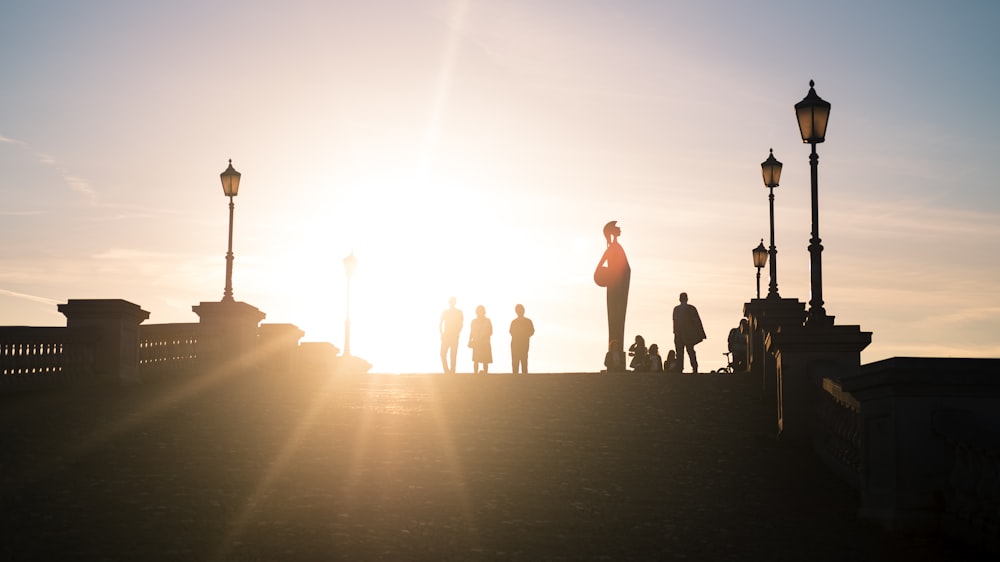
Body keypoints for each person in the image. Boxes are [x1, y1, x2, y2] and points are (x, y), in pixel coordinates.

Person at [594, 220, 631, 372]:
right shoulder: (613, 249)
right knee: (615, 320)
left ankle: (617, 352)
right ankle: (614, 354)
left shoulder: (616, 247)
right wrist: (611, 275)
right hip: (615, 289)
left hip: (619, 289)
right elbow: (598, 270)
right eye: (617, 228)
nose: (620, 229)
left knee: (618, 321)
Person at [672, 292, 706, 373]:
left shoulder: (677, 309)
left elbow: (675, 322)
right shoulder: (691, 308)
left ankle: (680, 368)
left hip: (680, 334)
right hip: (689, 334)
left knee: (680, 352)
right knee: (690, 351)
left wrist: (676, 332)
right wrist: (700, 334)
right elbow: (697, 322)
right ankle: (694, 367)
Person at [439, 296, 463, 373]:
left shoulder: (459, 312)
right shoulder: (445, 312)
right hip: (447, 335)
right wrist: (442, 334)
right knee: (443, 354)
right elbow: (440, 324)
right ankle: (447, 371)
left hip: (453, 336)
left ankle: (452, 371)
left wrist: (457, 333)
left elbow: (460, 324)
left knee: (453, 354)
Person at [509, 304, 535, 374]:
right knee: (515, 362)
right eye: (518, 310)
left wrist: (524, 335)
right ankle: (515, 377)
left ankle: (524, 377)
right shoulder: (514, 322)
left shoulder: (528, 321)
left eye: (521, 310)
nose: (519, 312)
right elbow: (511, 332)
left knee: (524, 361)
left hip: (524, 343)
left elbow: (532, 331)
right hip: (515, 344)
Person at [469, 305, 493, 374]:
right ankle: (475, 373)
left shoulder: (488, 321)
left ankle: (485, 373)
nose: (480, 313)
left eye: (481, 311)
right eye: (479, 311)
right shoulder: (473, 321)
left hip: (485, 343)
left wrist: (483, 338)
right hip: (476, 343)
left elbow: (490, 332)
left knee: (485, 361)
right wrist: (470, 340)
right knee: (476, 360)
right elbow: (471, 332)